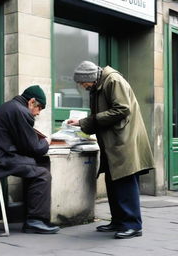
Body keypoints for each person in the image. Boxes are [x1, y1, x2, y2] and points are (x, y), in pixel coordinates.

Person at [68, 61, 154, 239]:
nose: (82, 86)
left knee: (125, 182)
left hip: (123, 141)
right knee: (113, 182)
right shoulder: (99, 85)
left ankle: (133, 225)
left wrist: (87, 122)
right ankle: (118, 221)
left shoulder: (113, 80)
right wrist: (83, 123)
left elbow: (122, 109)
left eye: (83, 82)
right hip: (112, 141)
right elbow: (103, 114)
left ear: (90, 77)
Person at [0, 85, 60, 234]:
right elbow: (33, 147)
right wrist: (47, 141)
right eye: (39, 108)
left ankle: (34, 217)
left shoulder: (11, 107)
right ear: (32, 102)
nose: (38, 113)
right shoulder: (21, 112)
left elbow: (23, 143)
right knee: (42, 174)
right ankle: (35, 221)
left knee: (38, 165)